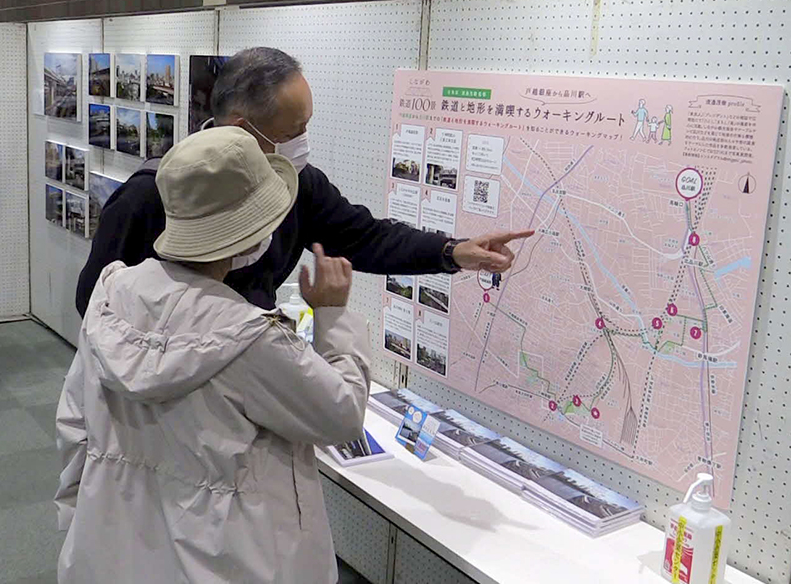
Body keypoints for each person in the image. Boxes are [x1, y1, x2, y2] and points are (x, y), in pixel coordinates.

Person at [57, 126, 372, 583]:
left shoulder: (112, 293)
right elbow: (342, 417)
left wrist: (79, 526)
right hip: (227, 560)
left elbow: (73, 425)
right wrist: (333, 316)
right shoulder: (250, 338)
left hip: (116, 548)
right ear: (250, 234)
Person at [76, 47, 532, 315]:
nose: (302, 142)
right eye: (292, 131)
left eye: (306, 125)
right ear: (240, 127)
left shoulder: (300, 185)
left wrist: (452, 252)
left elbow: (365, 236)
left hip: (251, 374)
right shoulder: (149, 195)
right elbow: (94, 302)